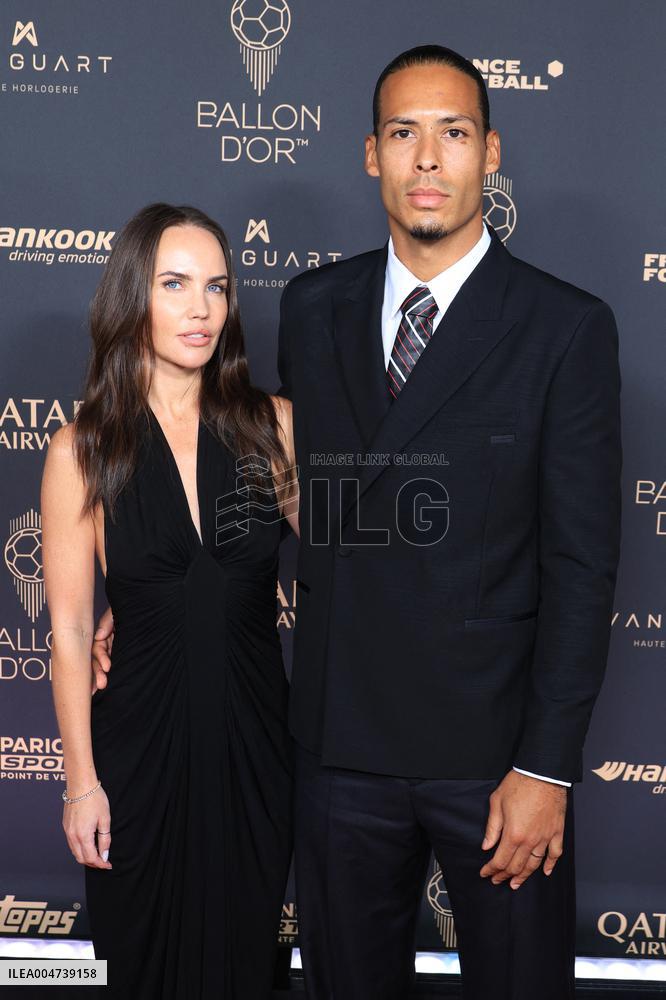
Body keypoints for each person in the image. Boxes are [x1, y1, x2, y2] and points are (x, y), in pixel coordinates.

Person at [275, 46, 621, 999]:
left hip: (493, 764)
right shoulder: (311, 309)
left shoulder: (564, 327)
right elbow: (300, 499)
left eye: (454, 133)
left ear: (491, 153)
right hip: (340, 750)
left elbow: (583, 566)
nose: (428, 158)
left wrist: (547, 770)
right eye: (404, 133)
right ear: (371, 156)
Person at [42, 203, 297, 998]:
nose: (201, 309)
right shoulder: (83, 448)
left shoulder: (272, 428)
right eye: (176, 284)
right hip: (138, 754)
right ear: (132, 297)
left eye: (217, 287)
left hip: (258, 743)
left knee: (246, 957)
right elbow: (74, 628)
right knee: (145, 961)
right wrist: (81, 781)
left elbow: (344, 568)